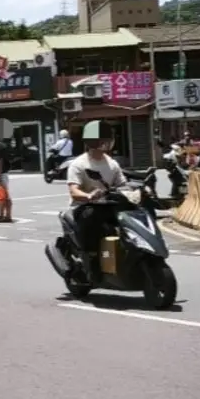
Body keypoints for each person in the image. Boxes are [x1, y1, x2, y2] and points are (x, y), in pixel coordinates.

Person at [66, 120, 127, 282]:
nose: (107, 143)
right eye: (103, 139)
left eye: (108, 139)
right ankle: (92, 259)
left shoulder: (112, 164)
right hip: (85, 207)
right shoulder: (79, 164)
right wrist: (88, 196)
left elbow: (123, 185)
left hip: (108, 206)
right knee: (92, 217)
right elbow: (74, 191)